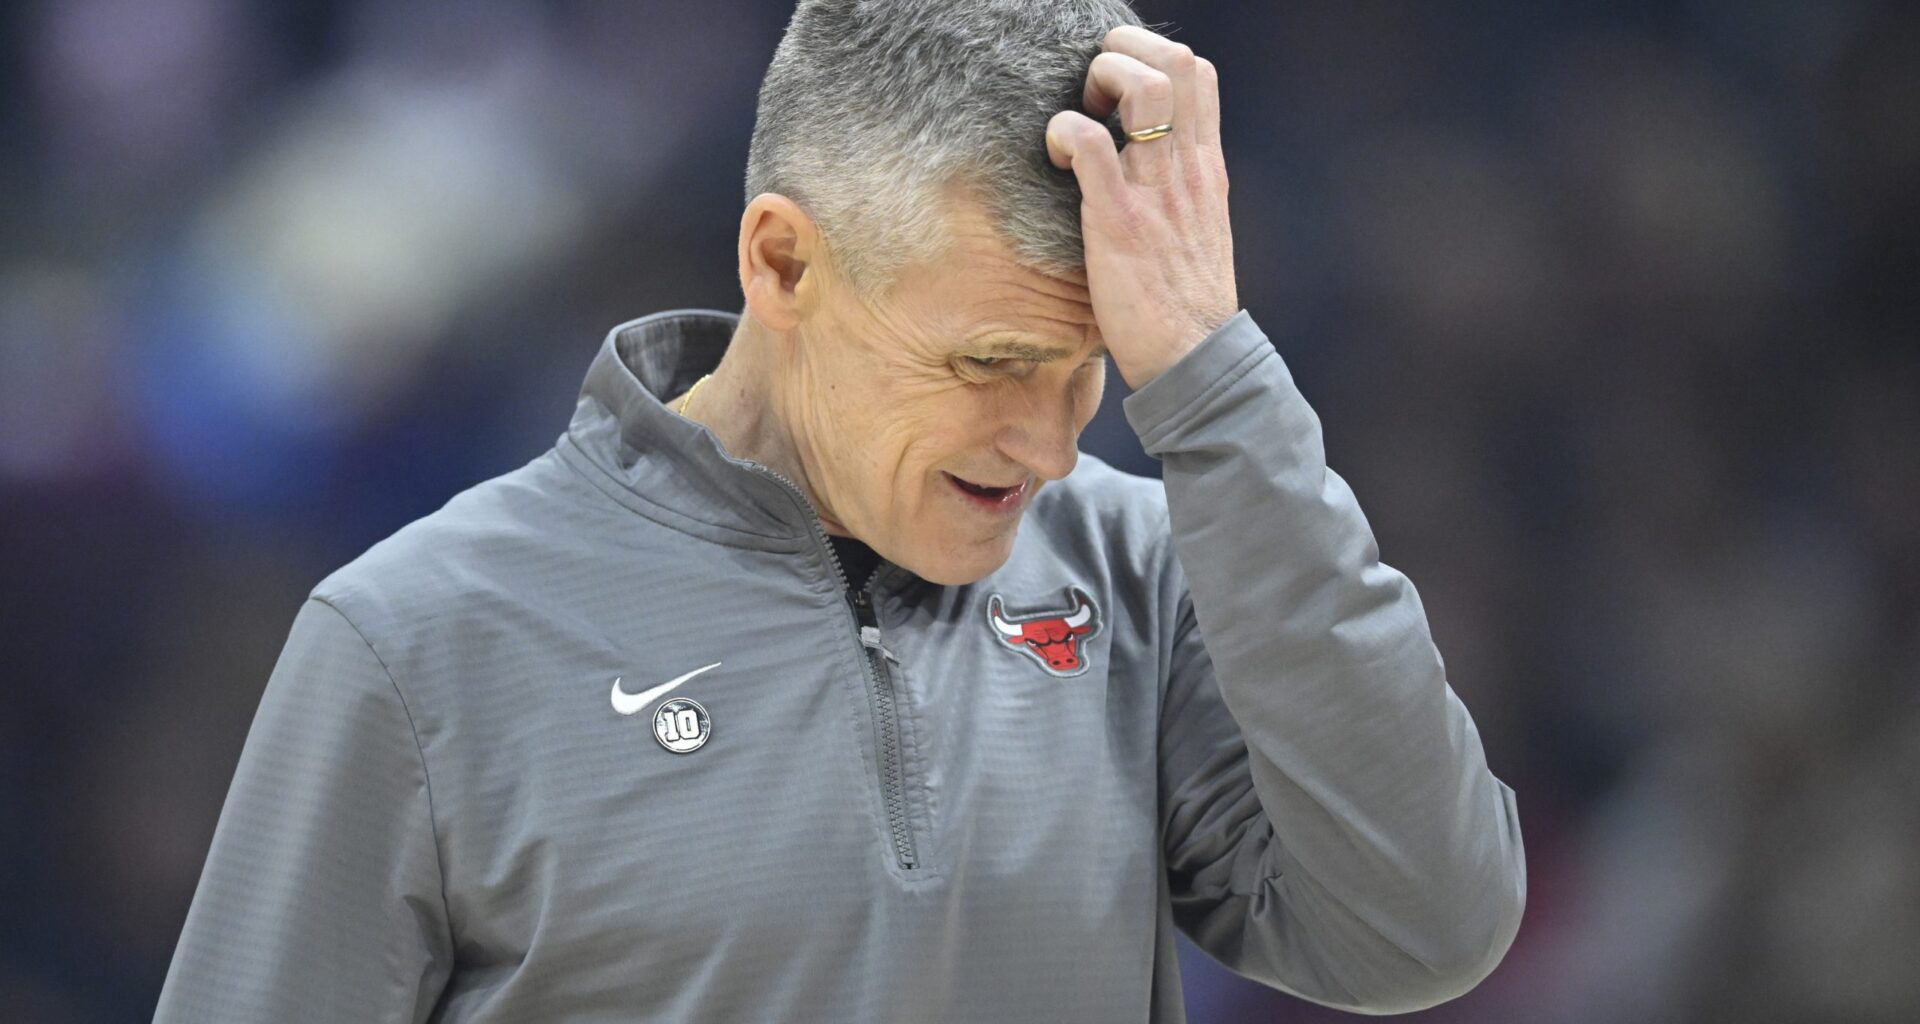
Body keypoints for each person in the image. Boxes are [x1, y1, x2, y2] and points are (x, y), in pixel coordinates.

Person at [154, 2, 1525, 1021]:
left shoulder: (1141, 569)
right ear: (783, 262)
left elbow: (1429, 927)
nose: (1051, 448)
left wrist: (1215, 389)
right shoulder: (417, 641)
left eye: (1096, 373)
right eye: (990, 366)